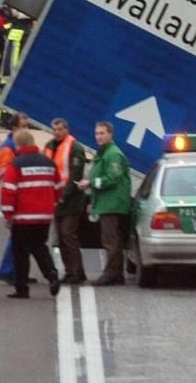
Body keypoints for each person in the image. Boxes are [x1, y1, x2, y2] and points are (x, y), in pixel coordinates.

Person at [0, 130, 61, 299]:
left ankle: (22, 288)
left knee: (21, 252)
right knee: (40, 247)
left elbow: (9, 191)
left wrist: (7, 215)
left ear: (18, 145)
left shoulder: (16, 164)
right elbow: (58, 188)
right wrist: (52, 206)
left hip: (23, 217)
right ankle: (52, 274)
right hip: (44, 216)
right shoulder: (49, 163)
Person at [79, 120, 131, 285]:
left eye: (102, 133)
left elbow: (112, 179)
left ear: (110, 134)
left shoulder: (113, 154)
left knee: (110, 240)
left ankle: (111, 273)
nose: (99, 137)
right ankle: (116, 273)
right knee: (111, 239)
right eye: (97, 133)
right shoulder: (102, 153)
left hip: (112, 204)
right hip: (104, 202)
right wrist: (93, 202)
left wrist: (90, 183)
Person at [46, 117, 90, 285]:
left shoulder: (75, 148)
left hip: (71, 201)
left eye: (60, 129)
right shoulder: (49, 146)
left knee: (68, 234)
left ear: (66, 130)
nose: (57, 132)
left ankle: (78, 272)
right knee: (61, 239)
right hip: (55, 200)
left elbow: (75, 175)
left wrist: (63, 195)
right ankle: (69, 271)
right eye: (54, 129)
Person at [0, 114, 21, 285]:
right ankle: (7, 270)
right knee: (17, 235)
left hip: (19, 195)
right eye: (24, 126)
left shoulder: (16, 145)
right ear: (15, 128)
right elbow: (5, 174)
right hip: (12, 196)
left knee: (23, 236)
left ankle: (17, 269)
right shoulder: (7, 149)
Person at [0, 11, 30, 124]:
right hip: (6, 66)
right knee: (3, 88)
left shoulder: (24, 27)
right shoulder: (1, 20)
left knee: (5, 88)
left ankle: (10, 117)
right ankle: (5, 116)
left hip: (9, 66)